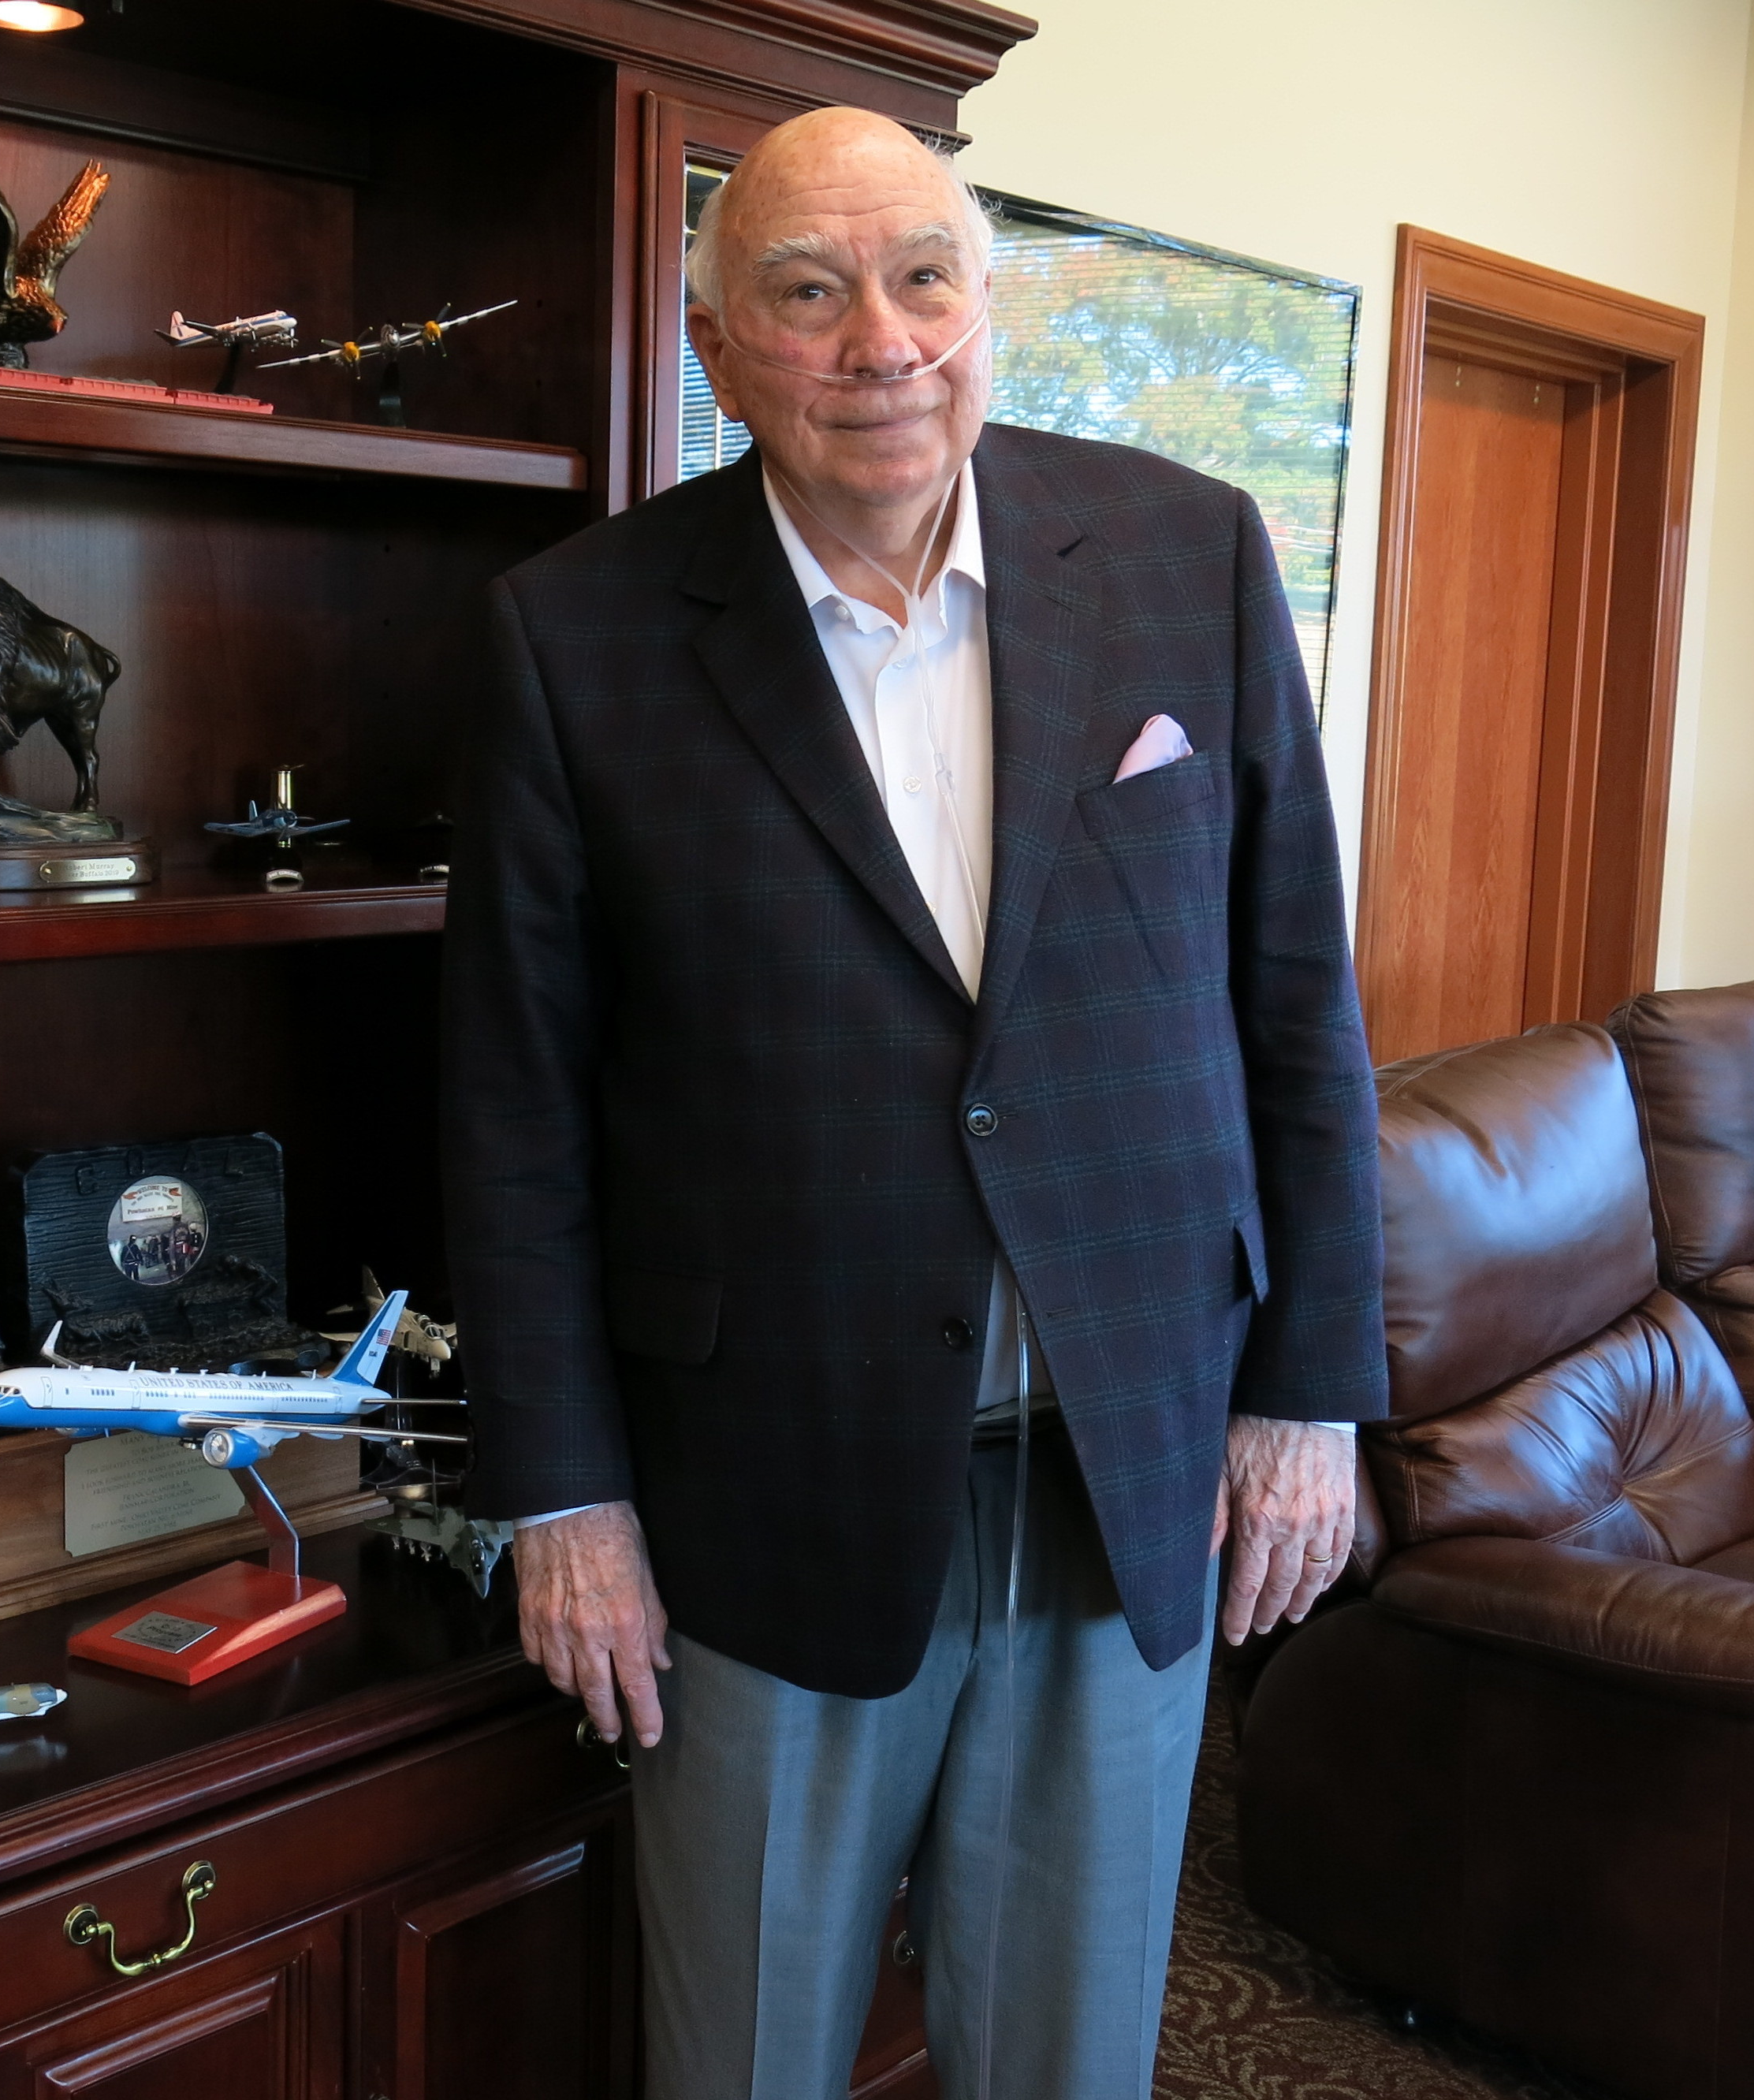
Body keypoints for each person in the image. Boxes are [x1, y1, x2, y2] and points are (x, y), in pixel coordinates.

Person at [441, 106, 1387, 2100]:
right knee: (749, 2052)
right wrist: (563, 1495)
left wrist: (1307, 1393)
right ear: (718, 350)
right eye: (804, 290)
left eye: (922, 277)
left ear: (988, 308)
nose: (878, 337)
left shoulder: (1182, 554)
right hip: (758, 1488)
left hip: (1118, 1450)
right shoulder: (575, 635)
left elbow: (1295, 1001)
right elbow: (514, 1105)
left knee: (1063, 2057)